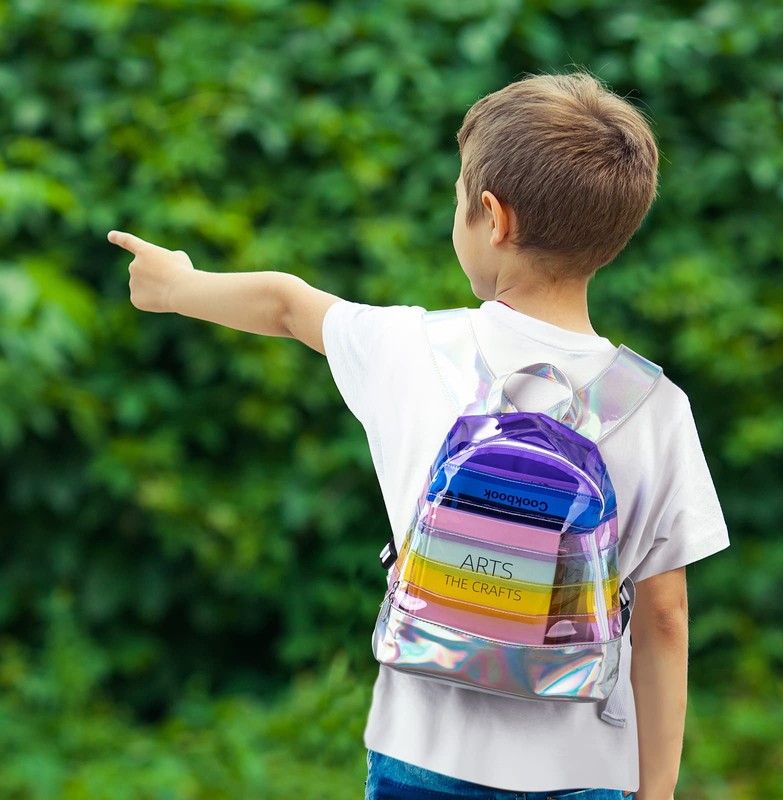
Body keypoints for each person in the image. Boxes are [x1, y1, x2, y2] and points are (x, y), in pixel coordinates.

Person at [107, 70, 730, 800]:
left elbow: (283, 304)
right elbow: (664, 618)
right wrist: (654, 792)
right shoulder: (654, 407)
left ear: (492, 217)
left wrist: (174, 285)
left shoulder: (412, 348)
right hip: (581, 768)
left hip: (423, 757)